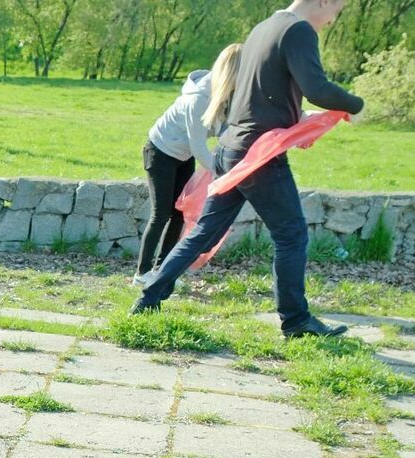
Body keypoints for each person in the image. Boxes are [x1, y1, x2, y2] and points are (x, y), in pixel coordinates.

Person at [129, 0, 364, 339]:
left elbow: (269, 95)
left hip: (231, 147)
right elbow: (317, 89)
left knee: (204, 231)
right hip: (259, 155)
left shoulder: (263, 29)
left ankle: (149, 298)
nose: (333, 19)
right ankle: (296, 321)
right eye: (336, 10)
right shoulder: (298, 31)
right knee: (291, 233)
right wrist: (356, 104)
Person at [134, 44, 243, 286]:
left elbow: (224, 128)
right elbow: (199, 147)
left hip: (183, 157)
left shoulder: (223, 94)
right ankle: (141, 274)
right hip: (160, 152)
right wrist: (223, 175)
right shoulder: (197, 100)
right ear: (231, 72)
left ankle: (162, 271)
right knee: (161, 214)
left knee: (180, 214)